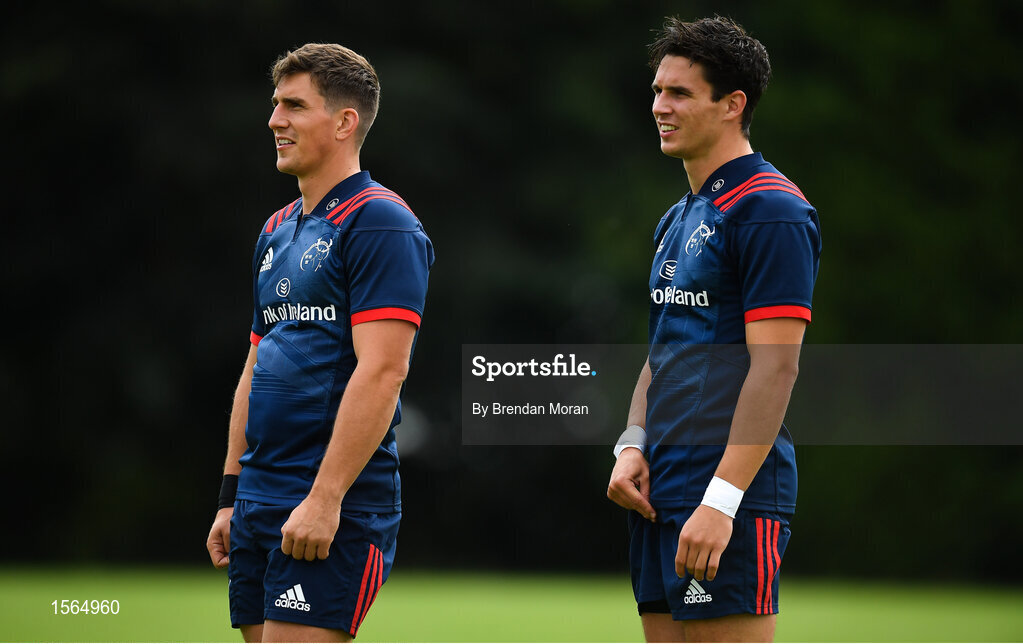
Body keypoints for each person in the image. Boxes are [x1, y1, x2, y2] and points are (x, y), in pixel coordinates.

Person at [205, 43, 433, 643]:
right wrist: (233, 495)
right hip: (260, 499)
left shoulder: (380, 221)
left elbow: (384, 372)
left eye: (293, 106)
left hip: (332, 504)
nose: (274, 119)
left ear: (343, 121)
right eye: (275, 104)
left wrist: (326, 497)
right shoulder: (278, 228)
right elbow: (256, 363)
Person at [606, 16, 821, 643]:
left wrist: (722, 501)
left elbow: (776, 365)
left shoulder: (770, 210)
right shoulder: (680, 216)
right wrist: (632, 441)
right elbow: (662, 351)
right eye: (656, 90)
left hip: (726, 492)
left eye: (679, 93)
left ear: (733, 105)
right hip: (660, 489)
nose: (659, 107)